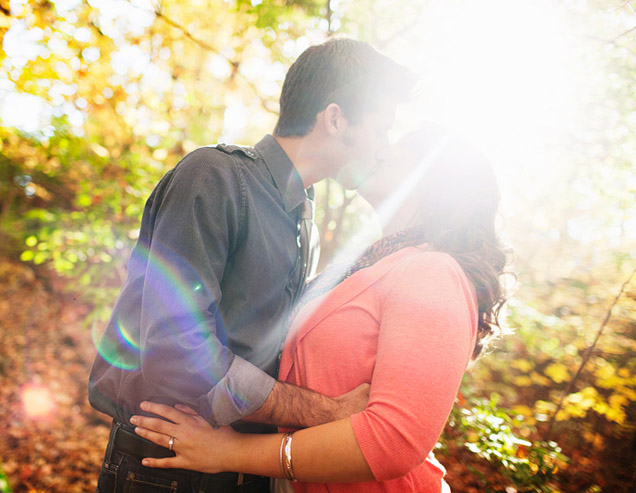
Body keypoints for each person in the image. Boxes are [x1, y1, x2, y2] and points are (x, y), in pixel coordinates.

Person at [88, 37, 415, 493]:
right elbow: (177, 351)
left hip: (246, 471)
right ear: (336, 118)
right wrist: (328, 413)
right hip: (165, 471)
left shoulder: (305, 220)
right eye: (381, 129)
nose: (384, 148)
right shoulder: (214, 176)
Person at [127, 125, 509, 492]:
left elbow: (393, 441)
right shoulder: (365, 266)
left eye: (394, 147)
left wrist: (230, 452)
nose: (379, 150)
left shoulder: (434, 271)